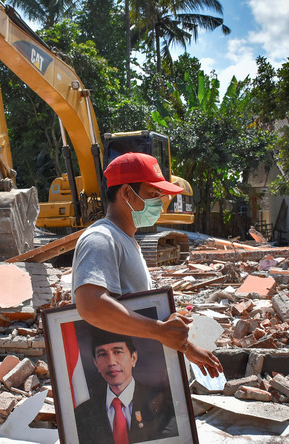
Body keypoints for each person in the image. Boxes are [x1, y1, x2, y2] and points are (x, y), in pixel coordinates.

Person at [72, 152, 223, 378]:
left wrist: (185, 346)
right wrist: (159, 331)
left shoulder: (127, 241)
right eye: (153, 194)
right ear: (126, 193)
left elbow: (133, 314)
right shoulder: (101, 239)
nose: (159, 203)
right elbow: (91, 306)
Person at [74, 328, 176, 444]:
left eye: (117, 352)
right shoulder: (82, 414)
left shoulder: (162, 402)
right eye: (102, 354)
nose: (111, 362)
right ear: (96, 363)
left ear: (133, 358)